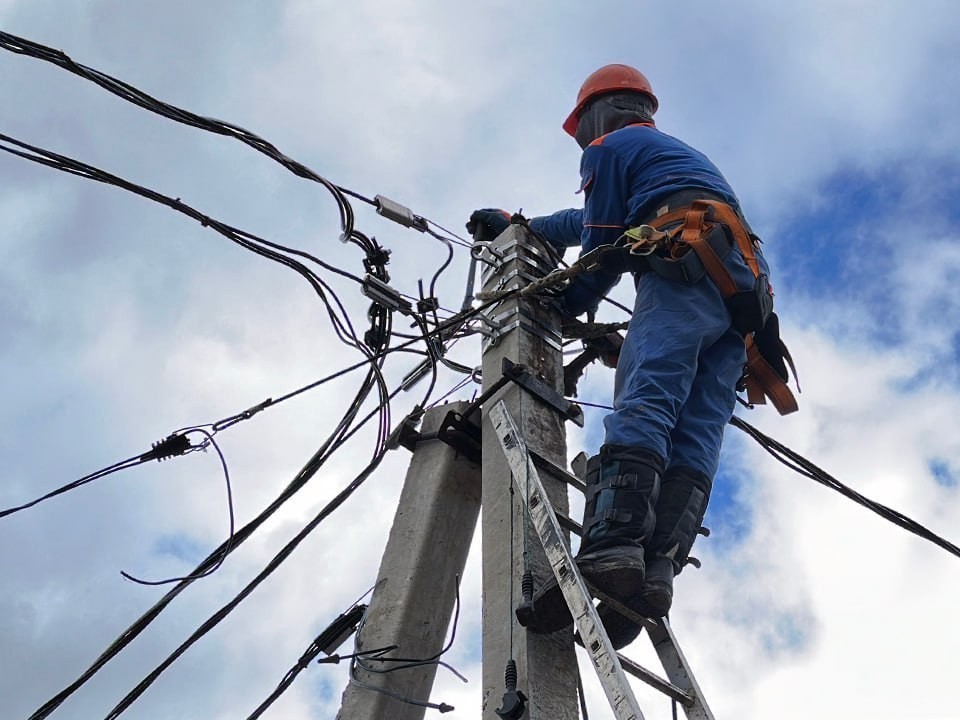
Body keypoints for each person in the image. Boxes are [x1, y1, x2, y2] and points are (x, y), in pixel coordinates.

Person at [468, 64, 776, 649]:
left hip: (686, 269)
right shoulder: (667, 156)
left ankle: (612, 550)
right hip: (743, 302)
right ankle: (656, 574)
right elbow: (589, 220)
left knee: (646, 402)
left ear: (599, 111)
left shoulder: (609, 149)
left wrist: (565, 304)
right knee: (697, 431)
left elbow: (603, 242)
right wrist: (520, 226)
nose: (581, 140)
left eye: (581, 126)